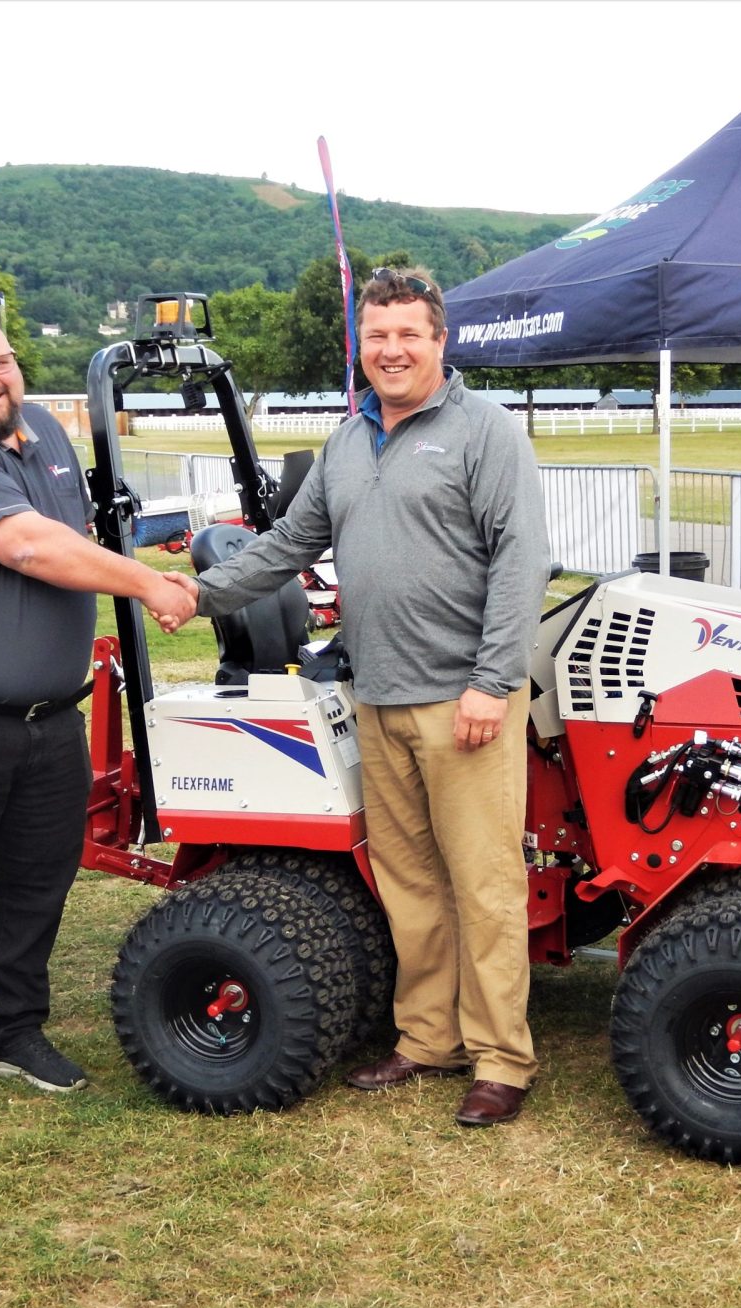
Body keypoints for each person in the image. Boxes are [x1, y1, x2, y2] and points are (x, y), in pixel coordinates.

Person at [162, 267, 549, 1127]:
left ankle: (501, 1059)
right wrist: (199, 594)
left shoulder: (484, 431)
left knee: (484, 885)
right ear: (360, 345)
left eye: (409, 334)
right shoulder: (346, 442)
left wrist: (492, 682)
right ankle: (428, 1038)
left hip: (464, 700)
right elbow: (288, 545)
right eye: (378, 336)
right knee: (409, 882)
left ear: (439, 340)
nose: (392, 350)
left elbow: (521, 559)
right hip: (377, 695)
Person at [0, 308, 196, 1115]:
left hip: (49, 718)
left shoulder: (46, 433)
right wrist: (148, 584)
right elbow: (29, 546)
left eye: (0, 362)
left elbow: (79, 536)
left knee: (36, 883)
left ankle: (15, 1031)